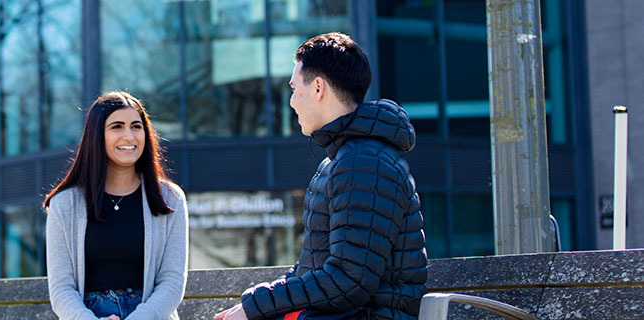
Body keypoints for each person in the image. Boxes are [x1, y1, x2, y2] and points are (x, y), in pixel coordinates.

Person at [215, 32, 428, 320]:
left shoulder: (364, 162)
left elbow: (349, 280)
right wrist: (256, 305)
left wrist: (257, 307)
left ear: (317, 88)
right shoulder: (345, 159)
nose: (291, 102)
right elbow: (314, 269)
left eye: (293, 89)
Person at [45, 91, 189, 320]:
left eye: (136, 126)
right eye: (117, 127)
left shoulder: (170, 199)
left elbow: (172, 282)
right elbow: (62, 289)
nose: (129, 136)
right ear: (97, 135)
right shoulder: (64, 205)